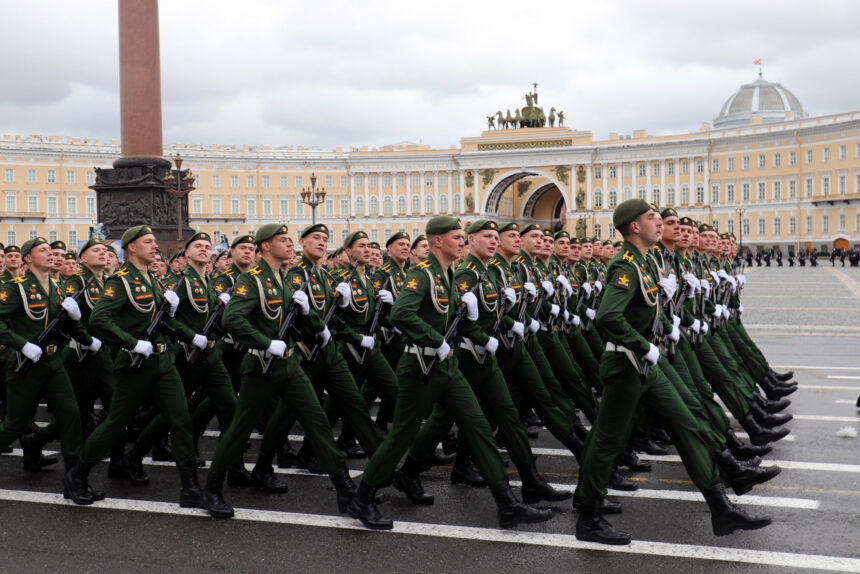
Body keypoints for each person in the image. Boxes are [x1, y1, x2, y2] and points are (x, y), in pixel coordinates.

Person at [574, 199, 772, 545]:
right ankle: (588, 517)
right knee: (607, 441)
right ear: (634, 227)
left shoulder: (648, 262)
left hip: (648, 364)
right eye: (652, 218)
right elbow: (608, 317)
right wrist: (644, 345)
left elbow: (648, 311)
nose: (660, 223)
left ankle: (721, 508)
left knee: (688, 424)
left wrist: (666, 327)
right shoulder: (625, 266)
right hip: (625, 365)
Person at [347, 215, 552, 531]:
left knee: (479, 427)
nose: (462, 242)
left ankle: (507, 504)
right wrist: (433, 340)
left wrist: (485, 339)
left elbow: (460, 323)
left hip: (447, 365)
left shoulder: (450, 274)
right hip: (420, 367)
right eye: (456, 237)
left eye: (462, 237)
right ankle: (362, 498)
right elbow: (402, 314)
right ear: (437, 242)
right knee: (400, 436)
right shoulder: (422, 274)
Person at [201, 223, 358, 519]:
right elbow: (233, 320)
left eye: (289, 240)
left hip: (289, 363)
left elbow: (292, 320)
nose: (289, 244)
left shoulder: (282, 279)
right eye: (282, 240)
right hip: (261, 366)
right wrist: (264, 342)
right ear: (266, 247)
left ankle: (348, 493)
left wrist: (314, 322)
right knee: (238, 430)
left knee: (318, 423)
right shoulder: (252, 280)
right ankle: (211, 488)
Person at [67, 225, 210, 509]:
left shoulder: (153, 281)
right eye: (148, 241)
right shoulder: (121, 281)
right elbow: (99, 320)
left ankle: (190, 488)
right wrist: (131, 343)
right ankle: (77, 476)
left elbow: (161, 323)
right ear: (131, 247)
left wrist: (179, 325)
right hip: (135, 364)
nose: (155, 246)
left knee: (180, 421)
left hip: (163, 361)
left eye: (155, 241)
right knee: (116, 423)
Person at [0, 236, 100, 504]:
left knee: (71, 416)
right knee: (14, 425)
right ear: (28, 258)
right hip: (26, 365)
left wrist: (89, 339)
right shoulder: (16, 288)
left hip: (54, 363)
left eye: (51, 250)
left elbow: (66, 326)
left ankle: (74, 480)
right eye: (42, 250)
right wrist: (21, 345)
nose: (51, 253)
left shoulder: (57, 288)